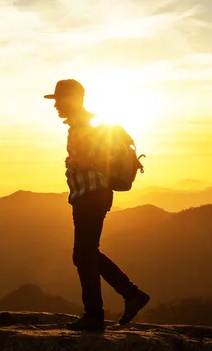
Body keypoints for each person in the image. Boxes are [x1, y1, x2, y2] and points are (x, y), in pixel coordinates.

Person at [44, 79, 150, 331]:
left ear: (71, 99)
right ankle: (130, 295)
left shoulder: (86, 124)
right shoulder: (86, 124)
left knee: (83, 254)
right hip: (87, 195)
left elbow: (101, 155)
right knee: (86, 253)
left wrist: (81, 161)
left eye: (59, 99)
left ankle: (95, 315)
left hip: (92, 194)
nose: (56, 105)